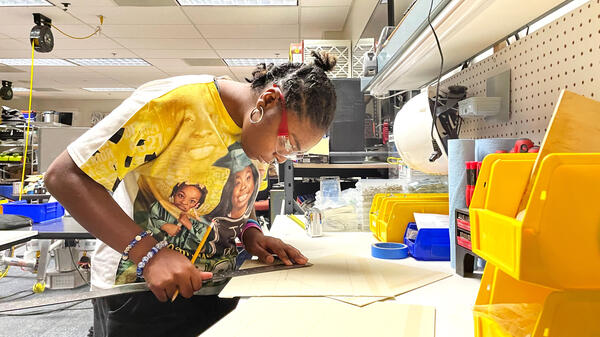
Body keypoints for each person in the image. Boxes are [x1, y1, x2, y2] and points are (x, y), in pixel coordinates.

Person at [44, 50, 338, 337]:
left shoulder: (258, 133)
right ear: (268, 100)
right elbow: (65, 177)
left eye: (295, 152)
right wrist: (151, 254)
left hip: (214, 287)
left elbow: (237, 204)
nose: (283, 157)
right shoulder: (174, 103)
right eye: (287, 142)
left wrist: (250, 233)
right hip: (139, 291)